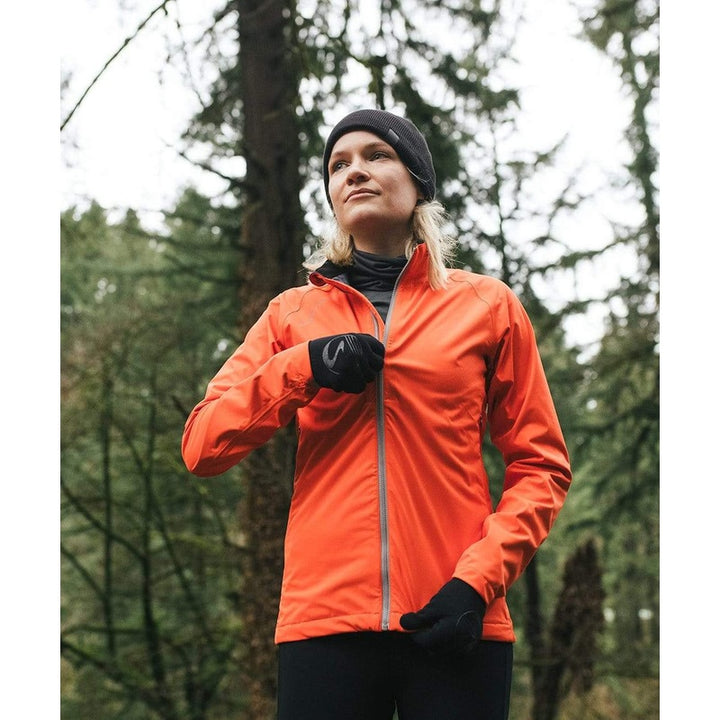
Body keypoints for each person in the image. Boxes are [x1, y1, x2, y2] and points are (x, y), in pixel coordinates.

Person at [182, 108, 572, 720]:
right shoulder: (292, 315)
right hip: (324, 625)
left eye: (376, 155)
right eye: (339, 165)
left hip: (455, 616)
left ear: (417, 182)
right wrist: (304, 367)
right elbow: (203, 444)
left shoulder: (487, 305)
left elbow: (541, 467)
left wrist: (478, 582)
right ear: (333, 197)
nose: (354, 172)